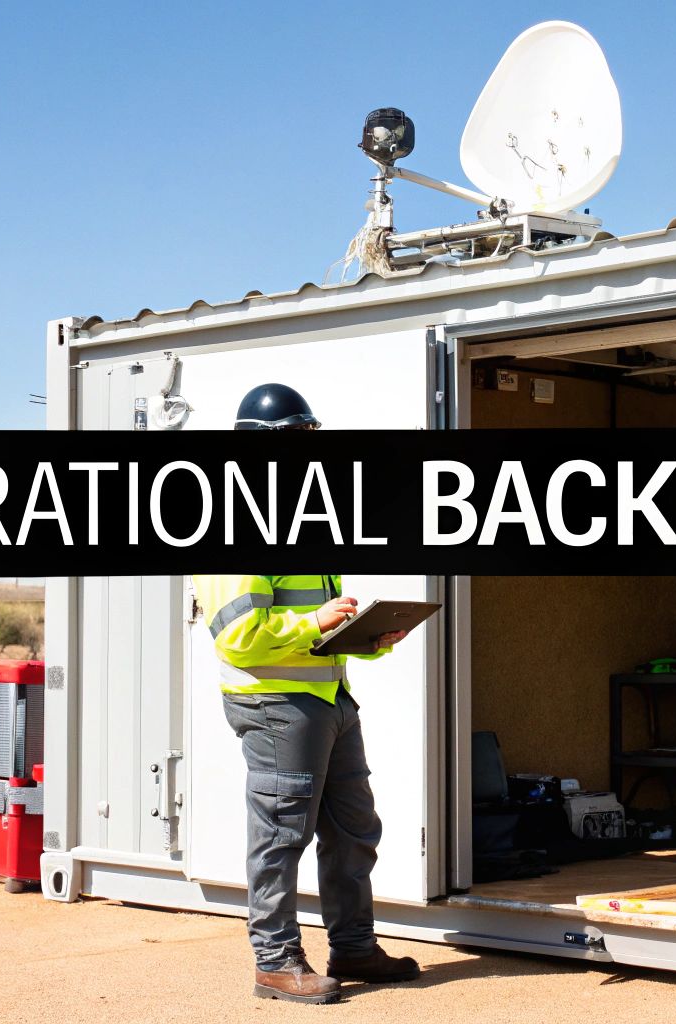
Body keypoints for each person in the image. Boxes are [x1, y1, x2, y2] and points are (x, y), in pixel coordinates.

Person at [192, 383, 419, 1005]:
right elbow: (238, 636)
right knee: (281, 835)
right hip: (275, 707)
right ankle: (275, 962)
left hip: (327, 701)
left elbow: (310, 627)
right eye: (298, 438)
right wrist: (316, 623)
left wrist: (363, 638)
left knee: (353, 830)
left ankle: (354, 947)